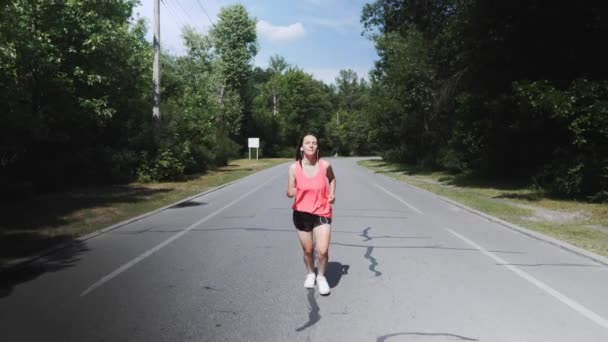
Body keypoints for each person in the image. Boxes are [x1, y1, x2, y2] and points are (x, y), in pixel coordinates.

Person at [287, 134, 336, 295]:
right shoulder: (294, 168)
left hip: (322, 212)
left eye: (314, 143)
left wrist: (332, 194)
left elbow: (332, 178)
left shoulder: (325, 165)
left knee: (322, 250)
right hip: (301, 213)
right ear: (301, 147)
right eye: (307, 142)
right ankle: (310, 273)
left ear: (317, 147)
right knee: (308, 250)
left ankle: (321, 277)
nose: (311, 145)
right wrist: (290, 192)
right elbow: (290, 190)